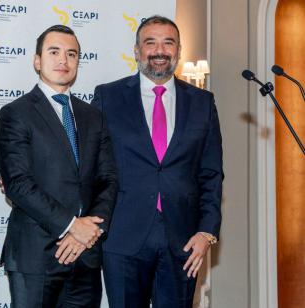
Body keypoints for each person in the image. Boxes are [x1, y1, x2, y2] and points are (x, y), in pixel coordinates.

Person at [92, 15, 223, 308]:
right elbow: (91, 167)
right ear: (137, 51)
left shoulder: (203, 103)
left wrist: (207, 231)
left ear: (178, 50)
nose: (160, 50)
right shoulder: (107, 97)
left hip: (184, 240)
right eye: (150, 43)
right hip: (122, 238)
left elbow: (211, 174)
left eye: (168, 43)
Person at [0, 25, 118, 308]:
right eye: (54, 52)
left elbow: (108, 179)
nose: (63, 60)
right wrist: (73, 226)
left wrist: (88, 232)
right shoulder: (15, 113)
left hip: (86, 256)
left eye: (71, 54)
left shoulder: (93, 117)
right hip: (35, 257)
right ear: (37, 61)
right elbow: (18, 184)